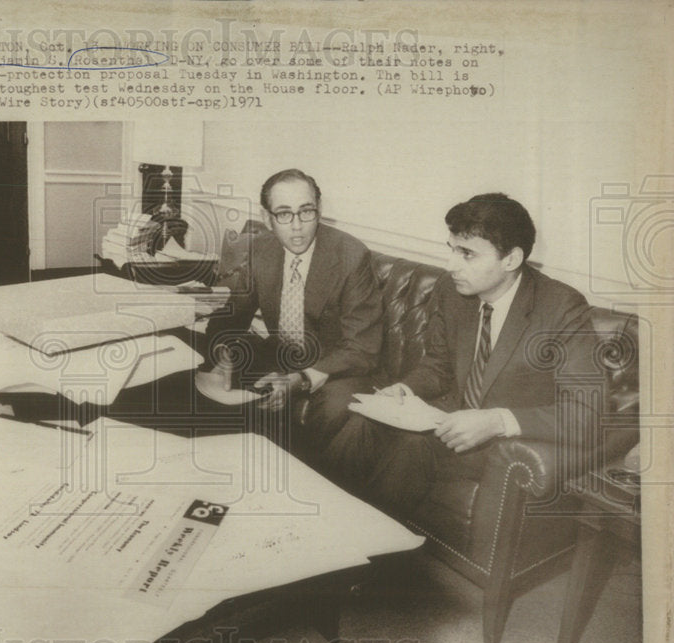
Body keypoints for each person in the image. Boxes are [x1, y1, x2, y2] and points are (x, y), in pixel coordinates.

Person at [325, 192, 599, 516]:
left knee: (411, 448)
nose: (451, 265)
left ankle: (371, 551)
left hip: (498, 445)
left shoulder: (561, 308)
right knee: (361, 424)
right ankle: (322, 530)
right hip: (447, 419)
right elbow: (439, 366)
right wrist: (407, 389)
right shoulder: (451, 291)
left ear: (510, 260)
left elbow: (588, 412)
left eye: (467, 254)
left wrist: (498, 421)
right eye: (452, 250)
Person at [204, 168, 383, 455]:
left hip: (336, 365)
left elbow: (362, 349)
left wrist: (299, 379)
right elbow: (232, 316)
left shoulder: (351, 256)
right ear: (267, 218)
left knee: (337, 407)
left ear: (319, 210)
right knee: (200, 372)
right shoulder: (261, 248)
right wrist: (224, 353)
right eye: (284, 214)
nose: (297, 226)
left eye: (306, 211)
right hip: (282, 352)